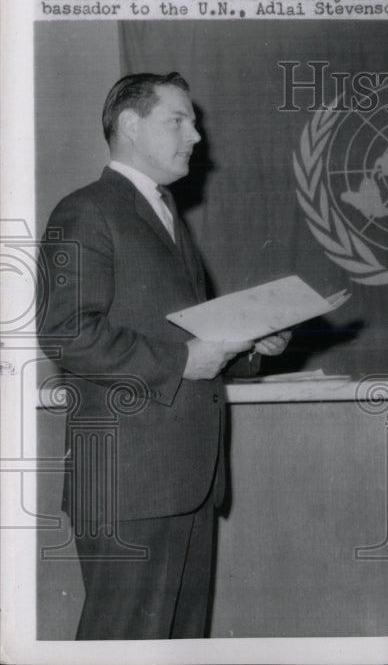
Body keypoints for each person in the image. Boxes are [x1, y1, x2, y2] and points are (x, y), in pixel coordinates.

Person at [38, 72, 290, 639]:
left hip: (185, 480)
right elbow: (65, 334)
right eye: (178, 120)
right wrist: (182, 362)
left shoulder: (164, 213)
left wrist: (251, 346)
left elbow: (189, 332)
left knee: (179, 646)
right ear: (130, 125)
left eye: (192, 121)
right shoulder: (86, 211)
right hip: (132, 483)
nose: (196, 135)